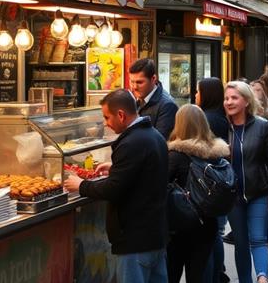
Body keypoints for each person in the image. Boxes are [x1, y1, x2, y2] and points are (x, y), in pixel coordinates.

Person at [65, 89, 169, 283]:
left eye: (107, 117)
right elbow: (147, 172)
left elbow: (113, 189)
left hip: (134, 240)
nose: (106, 123)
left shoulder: (130, 143)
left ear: (121, 115)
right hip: (155, 236)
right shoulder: (153, 135)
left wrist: (81, 185)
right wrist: (116, 167)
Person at [164, 104, 230, 283]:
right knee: (200, 274)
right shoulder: (216, 154)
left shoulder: (175, 156)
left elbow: (160, 187)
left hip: (180, 226)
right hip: (208, 224)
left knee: (172, 272)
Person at [224, 81, 268, 283]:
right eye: (227, 98)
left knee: (258, 239)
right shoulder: (222, 128)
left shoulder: (262, 126)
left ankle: (262, 278)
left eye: (234, 98)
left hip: (259, 191)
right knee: (240, 242)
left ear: (246, 101)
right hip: (232, 196)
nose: (229, 102)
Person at [195, 76, 232, 283]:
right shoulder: (221, 116)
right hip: (221, 183)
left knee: (213, 234)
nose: (195, 95)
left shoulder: (208, 119)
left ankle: (216, 274)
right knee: (216, 231)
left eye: (198, 91)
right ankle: (219, 272)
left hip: (210, 185)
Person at [129, 58, 178, 139]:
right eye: (132, 82)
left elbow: (158, 143)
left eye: (139, 82)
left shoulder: (167, 105)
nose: (134, 87)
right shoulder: (136, 99)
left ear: (153, 79)